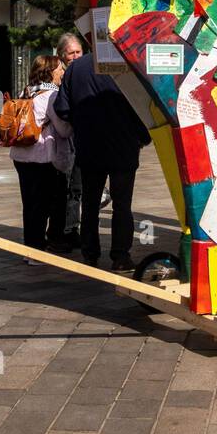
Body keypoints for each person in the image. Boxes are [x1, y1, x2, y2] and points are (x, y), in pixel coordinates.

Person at [51, 51, 152, 271]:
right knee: (122, 204)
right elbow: (142, 107)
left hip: (89, 146)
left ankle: (90, 254)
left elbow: (62, 108)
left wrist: (83, 122)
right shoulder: (129, 64)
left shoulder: (77, 68)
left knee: (90, 203)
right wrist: (143, 137)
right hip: (124, 145)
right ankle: (120, 256)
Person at [10, 55, 75, 254]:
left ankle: (31, 245)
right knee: (43, 206)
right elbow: (63, 131)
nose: (63, 72)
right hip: (42, 158)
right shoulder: (52, 96)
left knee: (29, 204)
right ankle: (36, 250)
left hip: (20, 156)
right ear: (50, 72)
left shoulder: (26, 91)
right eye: (60, 69)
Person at [56, 33, 86, 246]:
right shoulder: (58, 76)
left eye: (78, 52)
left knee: (77, 188)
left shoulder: (84, 73)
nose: (75, 57)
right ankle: (65, 231)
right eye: (71, 53)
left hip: (80, 140)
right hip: (63, 142)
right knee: (67, 189)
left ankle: (71, 229)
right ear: (61, 55)